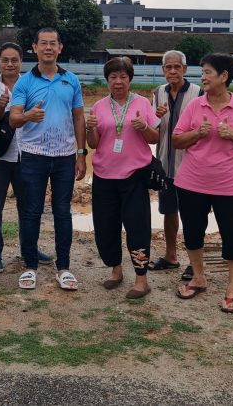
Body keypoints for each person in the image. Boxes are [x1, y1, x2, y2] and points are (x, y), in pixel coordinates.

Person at [171, 53, 233, 313]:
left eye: (208, 72)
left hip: (230, 186)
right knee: (192, 233)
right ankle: (198, 278)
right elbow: (176, 140)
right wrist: (197, 133)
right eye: (202, 72)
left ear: (224, 76)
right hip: (191, 182)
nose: (203, 77)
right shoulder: (194, 106)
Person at [9, 28, 87, 291]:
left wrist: (81, 153)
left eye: (53, 44)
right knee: (31, 212)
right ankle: (30, 266)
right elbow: (13, 118)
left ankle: (63, 267)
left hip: (65, 157)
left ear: (60, 48)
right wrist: (29, 115)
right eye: (43, 43)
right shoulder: (24, 82)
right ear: (35, 47)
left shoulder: (71, 80)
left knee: (63, 212)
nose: (48, 48)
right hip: (33, 156)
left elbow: (78, 117)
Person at [86, 57, 160, 299]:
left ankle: (141, 280)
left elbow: (154, 138)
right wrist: (90, 128)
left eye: (123, 77)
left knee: (137, 227)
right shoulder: (98, 106)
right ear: (107, 80)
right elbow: (94, 144)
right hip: (104, 176)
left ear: (130, 79)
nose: (118, 82)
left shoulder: (142, 104)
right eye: (113, 77)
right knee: (106, 226)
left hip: (134, 176)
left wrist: (144, 127)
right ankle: (116, 270)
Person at [0, 42, 53, 273]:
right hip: (0, 156)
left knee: (29, 208)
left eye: (14, 60)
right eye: (5, 60)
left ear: (21, 62)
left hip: (29, 154)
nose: (10, 64)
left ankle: (29, 251)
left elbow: (42, 116)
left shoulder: (31, 84)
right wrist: (0, 109)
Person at [147, 50, 201, 279]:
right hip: (165, 164)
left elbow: (203, 127)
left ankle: (194, 262)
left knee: (193, 215)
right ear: (163, 70)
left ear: (185, 69)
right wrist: (155, 117)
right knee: (169, 211)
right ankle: (171, 256)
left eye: (177, 67)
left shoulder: (199, 93)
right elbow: (153, 130)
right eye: (168, 67)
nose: (172, 71)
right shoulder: (158, 92)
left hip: (191, 166)